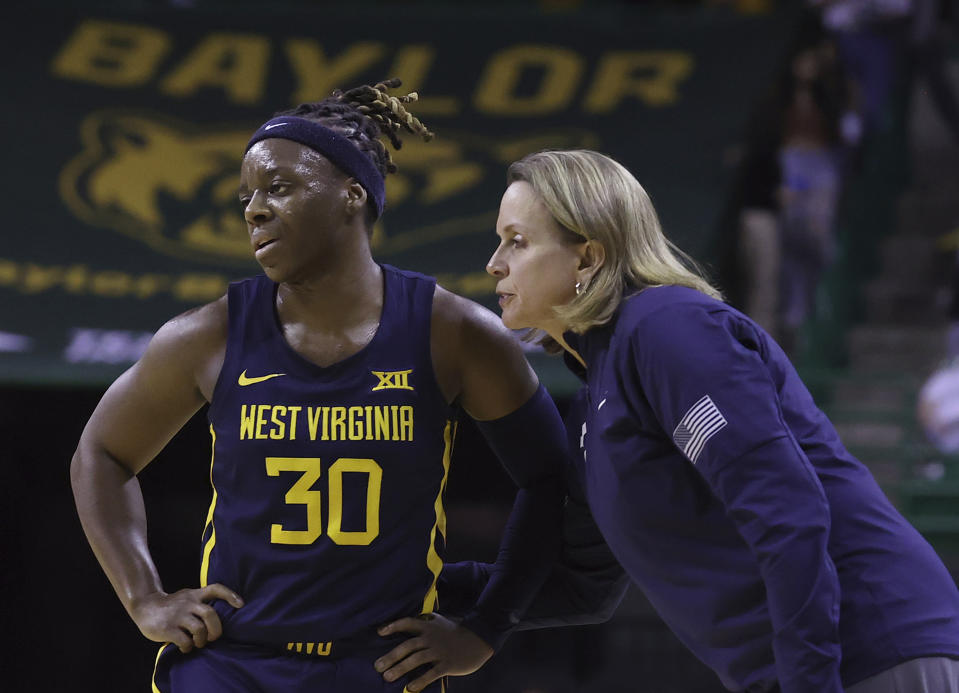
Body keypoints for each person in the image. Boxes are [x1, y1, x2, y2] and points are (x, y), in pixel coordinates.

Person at [375, 149, 959, 692]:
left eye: (517, 242)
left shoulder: (666, 329)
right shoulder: (598, 398)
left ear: (588, 256)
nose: (494, 264)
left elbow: (788, 512)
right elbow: (583, 584)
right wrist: (407, 586)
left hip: (876, 649)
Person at [69, 79, 571, 693]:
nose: (254, 209)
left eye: (279, 187)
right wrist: (144, 597)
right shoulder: (208, 336)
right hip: (233, 662)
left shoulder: (454, 333)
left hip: (381, 665)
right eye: (247, 195)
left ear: (351, 194)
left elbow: (550, 480)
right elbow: (101, 454)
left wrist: (488, 628)